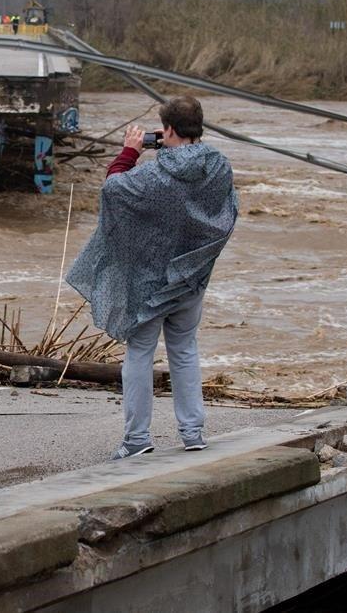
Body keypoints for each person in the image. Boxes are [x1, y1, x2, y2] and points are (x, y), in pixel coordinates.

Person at [66, 96, 238, 460]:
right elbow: (226, 211)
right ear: (199, 128)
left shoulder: (152, 177)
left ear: (168, 129)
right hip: (190, 278)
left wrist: (129, 152)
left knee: (140, 355)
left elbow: (113, 190)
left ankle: (136, 439)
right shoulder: (219, 168)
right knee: (185, 350)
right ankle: (193, 433)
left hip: (148, 285)